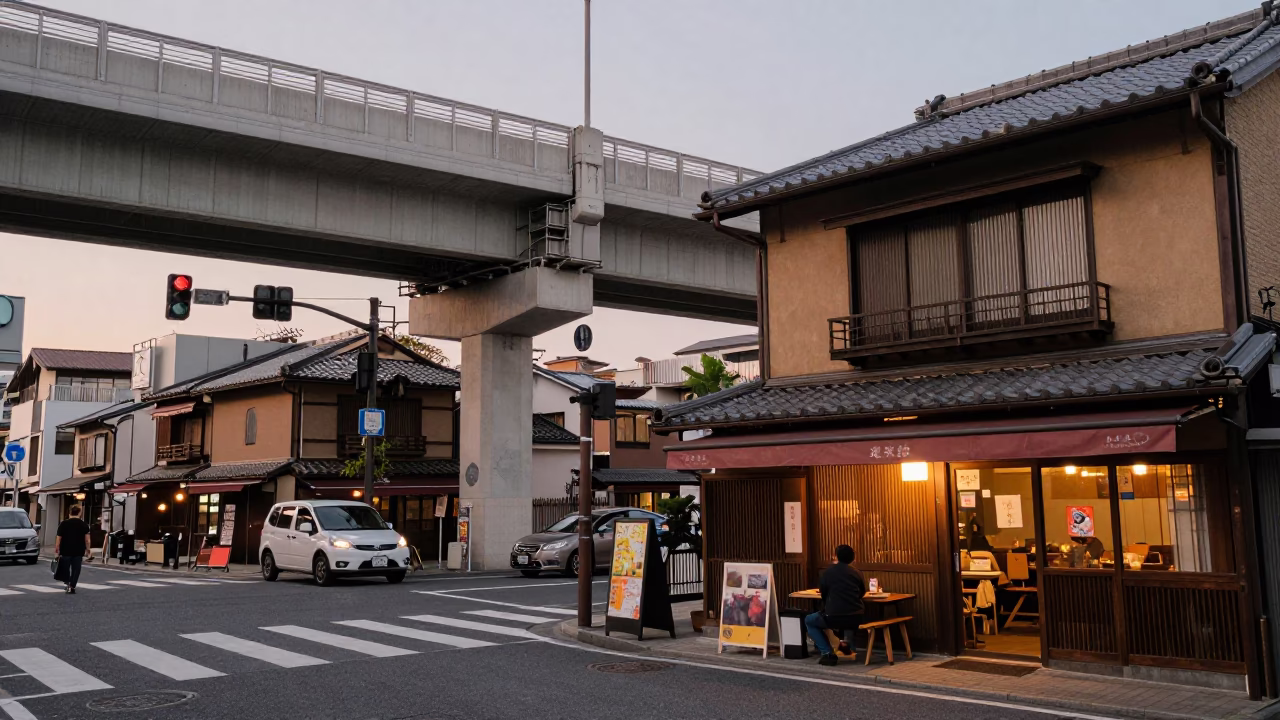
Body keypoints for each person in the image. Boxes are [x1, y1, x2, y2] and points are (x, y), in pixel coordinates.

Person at [804, 544, 866, 666]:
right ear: (853, 558)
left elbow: (824, 594)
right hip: (856, 616)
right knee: (847, 619)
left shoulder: (827, 573)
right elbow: (862, 592)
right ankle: (846, 646)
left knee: (809, 620)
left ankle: (827, 653)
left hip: (834, 616)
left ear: (836, 556)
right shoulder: (857, 573)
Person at [54, 506, 91, 594]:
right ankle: (72, 586)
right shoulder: (84, 524)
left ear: (69, 513)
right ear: (79, 513)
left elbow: (58, 539)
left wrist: (56, 551)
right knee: (76, 570)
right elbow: (87, 540)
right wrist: (88, 551)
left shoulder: (63, 524)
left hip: (65, 550)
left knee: (65, 568)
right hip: (78, 550)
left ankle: (67, 583)